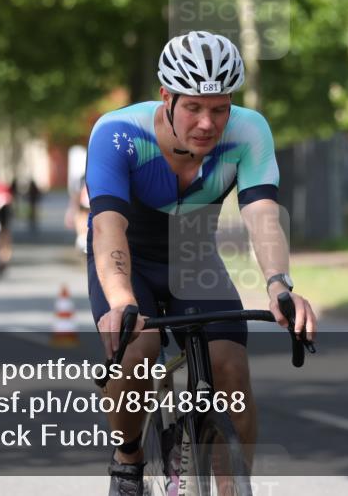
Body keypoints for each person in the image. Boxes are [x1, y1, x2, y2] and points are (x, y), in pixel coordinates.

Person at [86, 31, 317, 495]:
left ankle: (234, 487)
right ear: (166, 97)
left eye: (220, 107)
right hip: (131, 259)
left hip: (194, 258)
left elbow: (263, 216)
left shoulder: (250, 131)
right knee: (139, 348)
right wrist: (121, 300)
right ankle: (128, 459)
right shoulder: (117, 133)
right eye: (194, 106)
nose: (208, 123)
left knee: (230, 364)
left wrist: (278, 285)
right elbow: (107, 226)